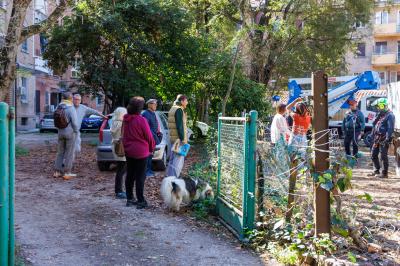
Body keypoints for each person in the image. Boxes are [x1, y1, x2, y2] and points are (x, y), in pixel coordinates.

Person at [123, 97, 155, 209]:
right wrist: (152, 148)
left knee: (130, 175)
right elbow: (149, 136)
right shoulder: (141, 120)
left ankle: (130, 198)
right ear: (139, 108)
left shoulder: (126, 119)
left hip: (129, 151)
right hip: (141, 152)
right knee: (140, 176)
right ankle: (141, 200)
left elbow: (124, 135)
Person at [53, 92, 79, 180]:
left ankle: (57, 172)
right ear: (70, 98)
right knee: (69, 153)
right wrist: (76, 131)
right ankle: (67, 172)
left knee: (60, 152)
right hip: (70, 133)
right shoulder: (71, 108)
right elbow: (75, 123)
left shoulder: (58, 106)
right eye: (72, 98)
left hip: (60, 133)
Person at [368, 98, 395, 179]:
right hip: (377, 138)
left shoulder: (390, 115)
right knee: (373, 154)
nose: (377, 108)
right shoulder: (381, 114)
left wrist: (387, 139)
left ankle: (384, 173)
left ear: (383, 106)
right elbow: (374, 124)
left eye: (378, 107)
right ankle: (376, 170)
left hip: (384, 138)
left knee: (383, 156)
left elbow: (390, 128)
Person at [166, 94, 189, 178]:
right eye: (186, 101)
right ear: (182, 101)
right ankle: (174, 180)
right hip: (178, 140)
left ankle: (169, 177)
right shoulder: (179, 110)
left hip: (173, 138)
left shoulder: (173, 108)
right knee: (178, 160)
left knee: (172, 160)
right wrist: (182, 139)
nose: (187, 102)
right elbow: (180, 126)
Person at [142, 99, 162, 178]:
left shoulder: (152, 113)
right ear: (149, 104)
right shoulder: (146, 114)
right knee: (147, 156)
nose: (156, 105)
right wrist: (153, 135)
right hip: (148, 139)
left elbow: (154, 125)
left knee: (150, 155)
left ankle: (149, 170)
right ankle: (146, 172)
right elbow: (146, 127)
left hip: (153, 138)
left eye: (156, 104)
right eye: (154, 104)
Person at [110, 107, 128, 199]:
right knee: (121, 171)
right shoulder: (122, 124)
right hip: (121, 149)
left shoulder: (114, 122)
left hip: (115, 147)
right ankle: (119, 191)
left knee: (120, 170)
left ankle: (119, 190)